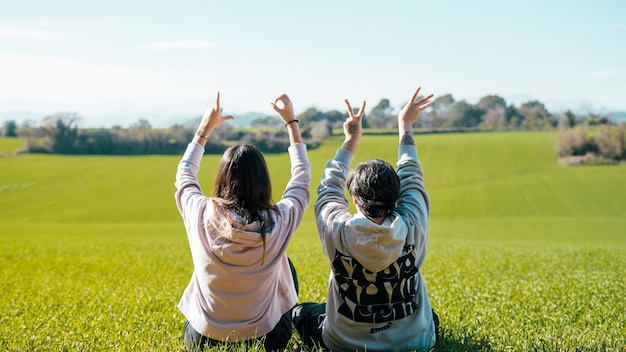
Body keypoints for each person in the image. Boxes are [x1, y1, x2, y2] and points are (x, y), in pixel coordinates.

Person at [293, 86, 439, 351]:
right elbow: (412, 174)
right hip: (414, 342)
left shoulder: (335, 228)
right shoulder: (413, 223)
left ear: (355, 200)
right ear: (397, 198)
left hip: (343, 344)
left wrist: (351, 139)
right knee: (431, 317)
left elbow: (328, 187)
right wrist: (405, 125)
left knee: (301, 313)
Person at [174, 92, 310, 351]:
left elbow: (184, 175)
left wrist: (204, 129)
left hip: (203, 339)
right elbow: (301, 179)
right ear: (263, 181)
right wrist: (292, 123)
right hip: (267, 338)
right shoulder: (279, 220)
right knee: (285, 264)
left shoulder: (200, 213)